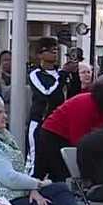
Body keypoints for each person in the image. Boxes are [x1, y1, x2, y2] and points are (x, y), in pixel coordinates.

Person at [33, 80, 103, 181]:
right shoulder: (85, 106)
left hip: (65, 135)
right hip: (53, 135)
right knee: (58, 173)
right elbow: (79, 141)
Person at [26, 37, 73, 171]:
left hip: (61, 123)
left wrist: (72, 76)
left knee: (59, 162)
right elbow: (47, 93)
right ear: (40, 54)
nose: (55, 52)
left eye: (56, 49)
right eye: (50, 49)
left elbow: (72, 95)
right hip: (40, 121)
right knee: (35, 161)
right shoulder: (35, 74)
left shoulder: (61, 73)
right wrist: (63, 75)